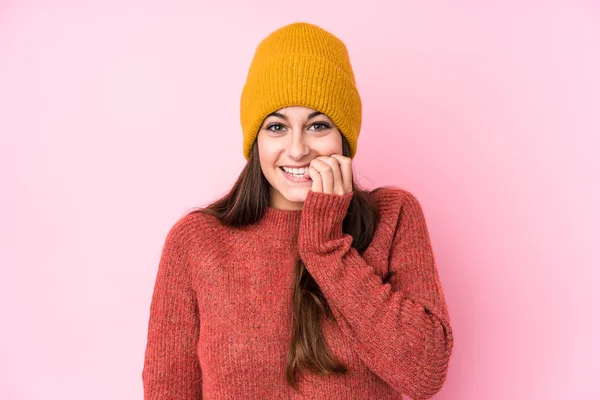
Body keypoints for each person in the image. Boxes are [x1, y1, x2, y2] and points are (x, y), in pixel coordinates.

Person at [142, 21, 454, 400]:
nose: (296, 150)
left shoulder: (394, 217)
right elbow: (168, 390)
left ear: (344, 137)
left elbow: (424, 374)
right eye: (276, 127)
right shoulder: (197, 241)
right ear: (255, 140)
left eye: (317, 125)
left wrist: (326, 248)